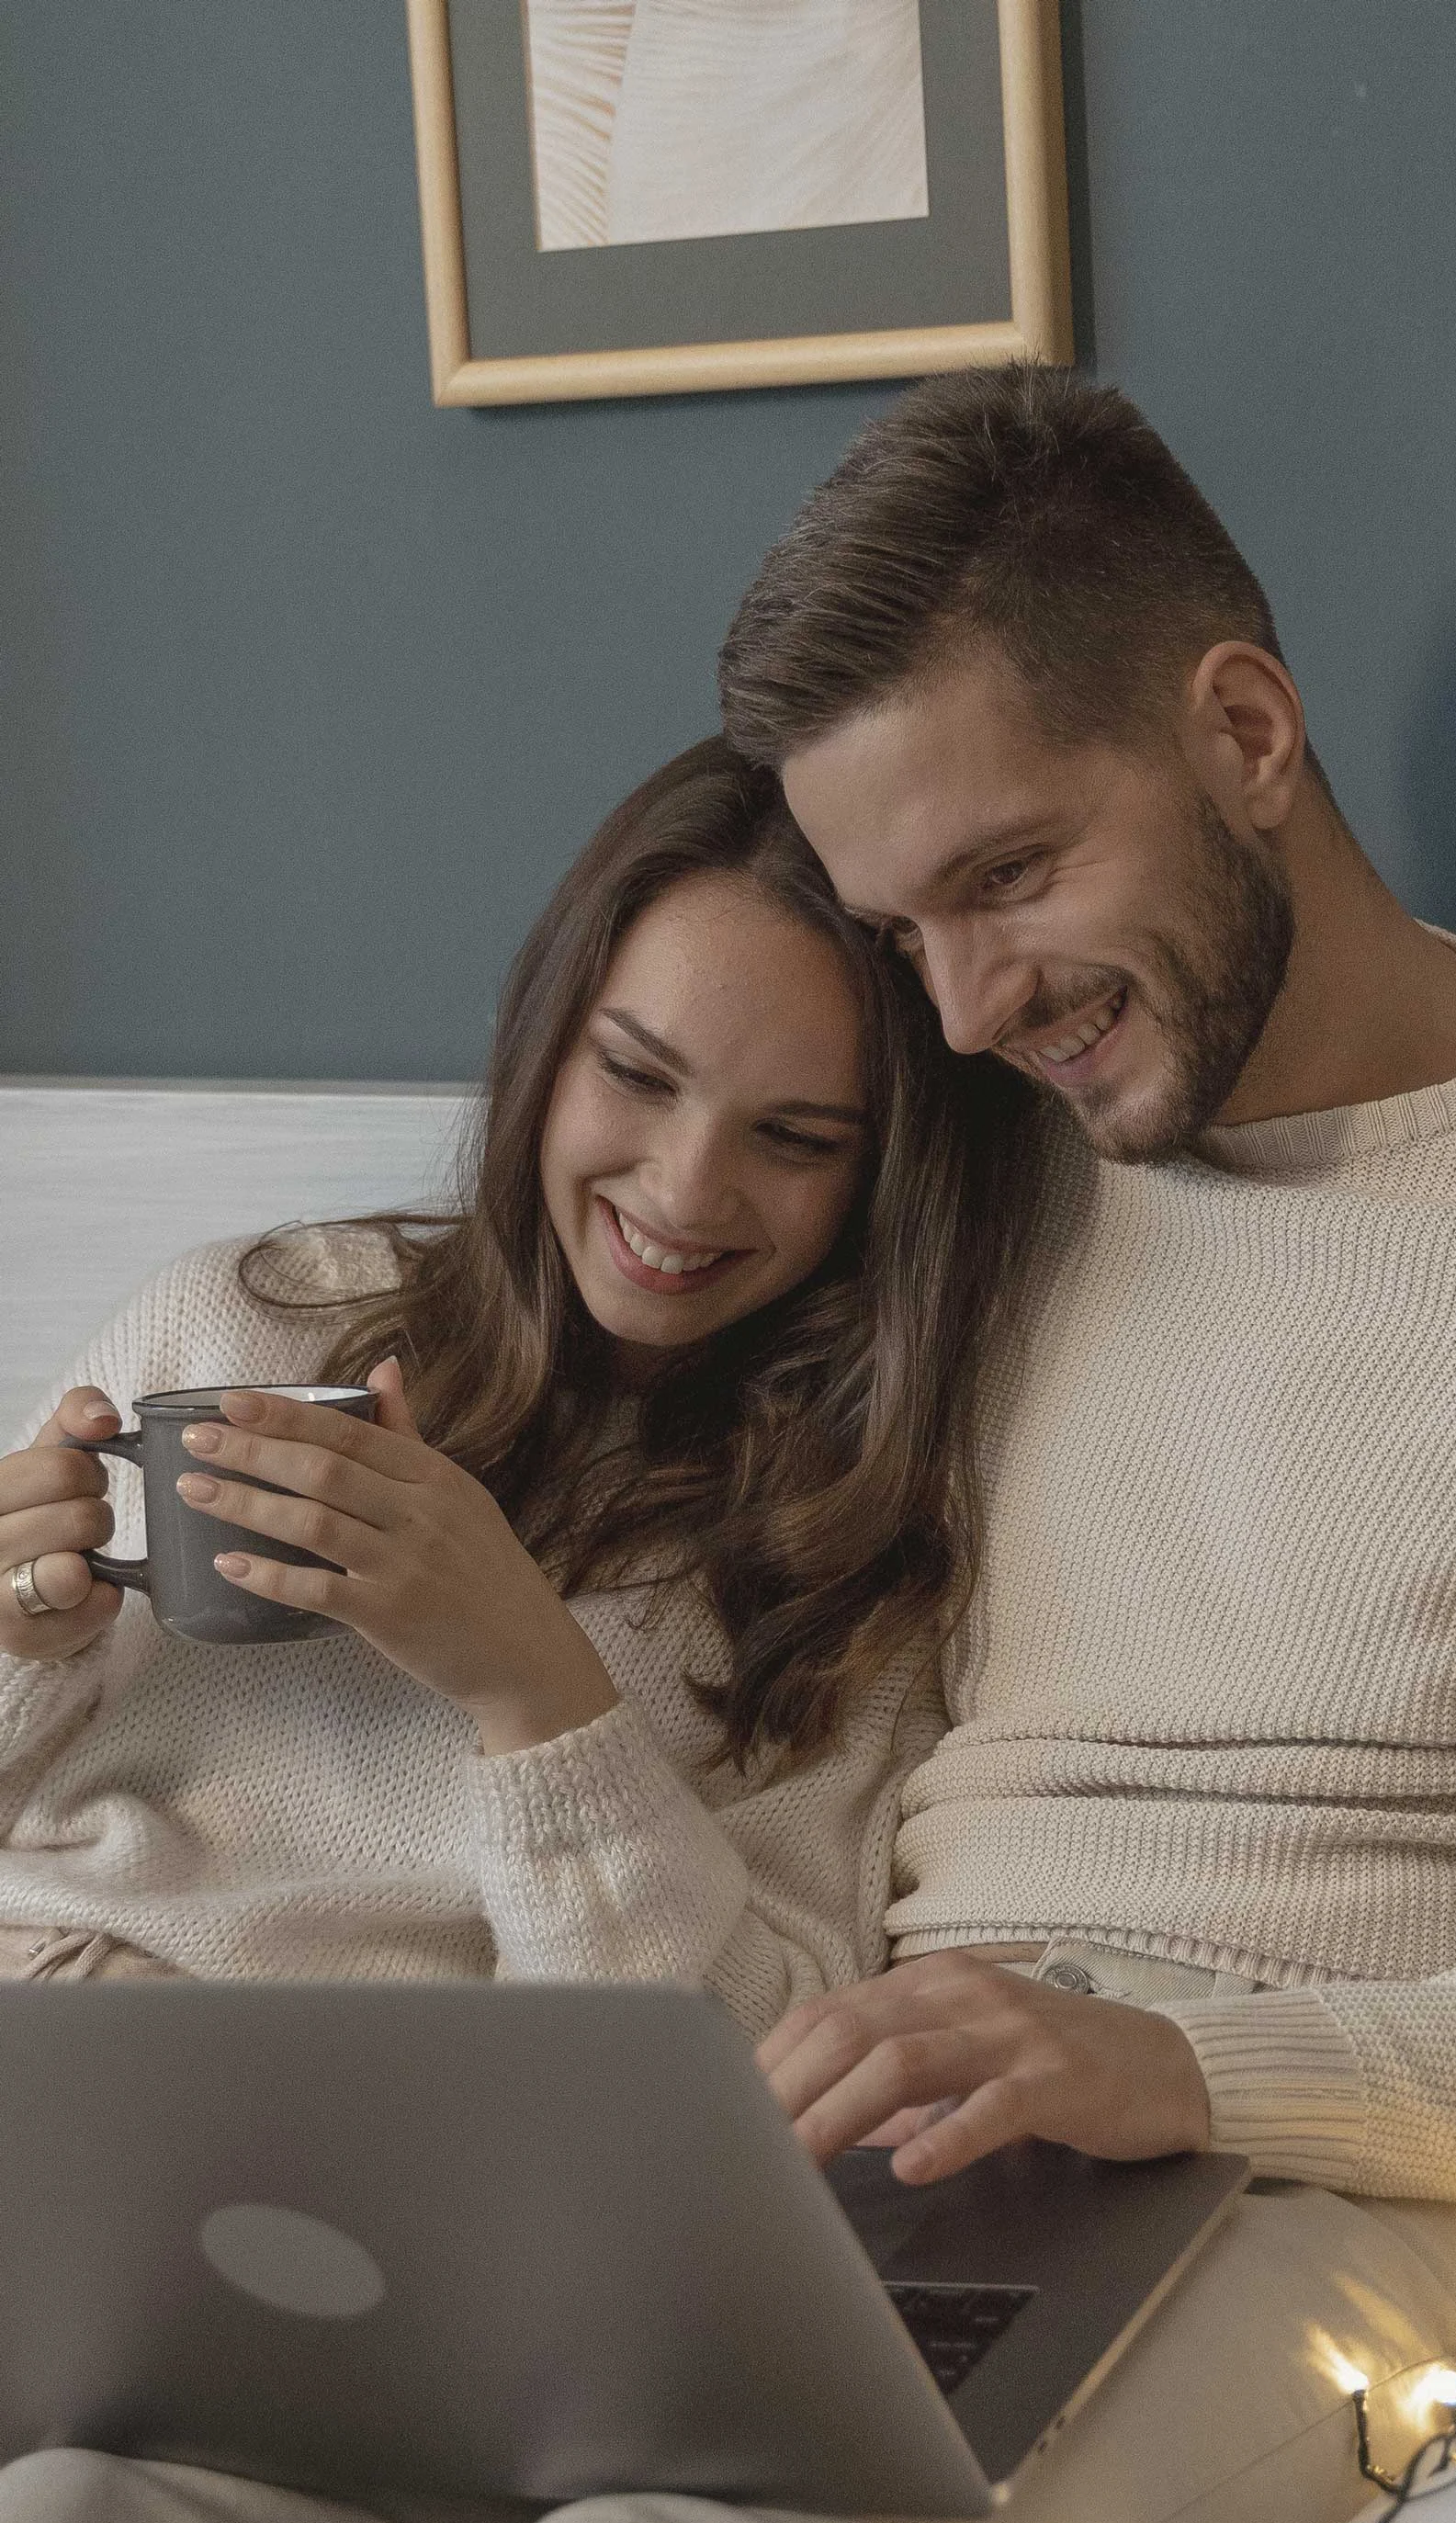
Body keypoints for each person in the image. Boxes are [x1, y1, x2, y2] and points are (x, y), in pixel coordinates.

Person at [4, 378, 1456, 2523]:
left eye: (1007, 881)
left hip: (1309, 2180)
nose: (966, 1010)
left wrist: (1195, 2068)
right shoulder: (984, 1183)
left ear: (1246, 731)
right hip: (869, 2130)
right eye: (902, 929)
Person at [0, 738, 1030, 2016]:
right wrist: (20, 1644)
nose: (682, 1191)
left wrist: (535, 1688)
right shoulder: (246, 1323)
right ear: (545, 1045)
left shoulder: (854, 1560)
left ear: (883, 1177)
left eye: (795, 1137)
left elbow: (745, 2061)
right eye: (637, 1076)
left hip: (388, 2147)